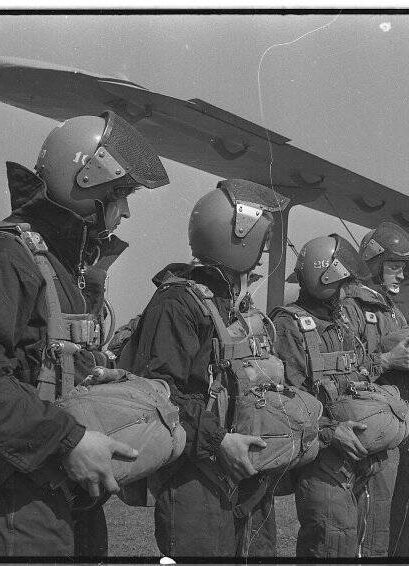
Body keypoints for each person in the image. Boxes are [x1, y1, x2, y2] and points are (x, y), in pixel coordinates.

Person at [0, 111, 169, 557]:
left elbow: (38, 365)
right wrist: (68, 439)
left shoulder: (60, 265)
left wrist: (93, 375)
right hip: (19, 497)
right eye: (120, 194)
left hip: (64, 485)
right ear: (86, 180)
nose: (125, 210)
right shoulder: (1, 255)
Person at [117, 179, 287, 557]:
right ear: (239, 235)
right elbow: (159, 394)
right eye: (262, 238)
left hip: (244, 471)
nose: (264, 250)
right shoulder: (177, 304)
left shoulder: (232, 306)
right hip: (198, 475)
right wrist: (220, 440)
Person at [271, 234, 398, 558]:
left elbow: (356, 372)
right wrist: (330, 431)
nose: (348, 293)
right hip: (323, 463)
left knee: (371, 546)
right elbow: (287, 402)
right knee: (331, 546)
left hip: (361, 461)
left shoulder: (341, 323)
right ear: (324, 280)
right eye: (343, 284)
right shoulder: (289, 325)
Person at [339, 221, 409, 557]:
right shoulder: (350, 308)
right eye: (394, 267)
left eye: (403, 268)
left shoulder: (392, 310)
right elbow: (346, 372)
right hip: (378, 427)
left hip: (407, 421)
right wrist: (387, 360)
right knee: (375, 517)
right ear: (375, 265)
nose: (401, 276)